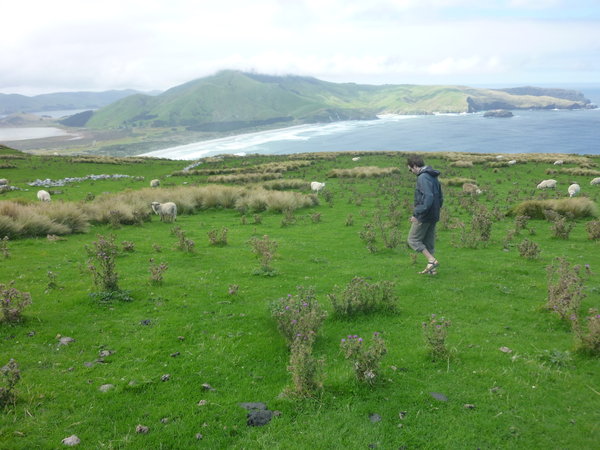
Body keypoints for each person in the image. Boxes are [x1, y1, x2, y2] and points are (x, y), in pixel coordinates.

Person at [407, 155, 443, 274]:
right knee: (428, 242)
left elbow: (428, 197)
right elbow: (440, 197)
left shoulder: (422, 177)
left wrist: (417, 213)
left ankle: (431, 260)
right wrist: (436, 210)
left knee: (413, 239)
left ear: (415, 166)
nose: (411, 172)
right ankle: (432, 270)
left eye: (410, 169)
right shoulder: (433, 176)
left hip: (425, 215)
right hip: (434, 214)